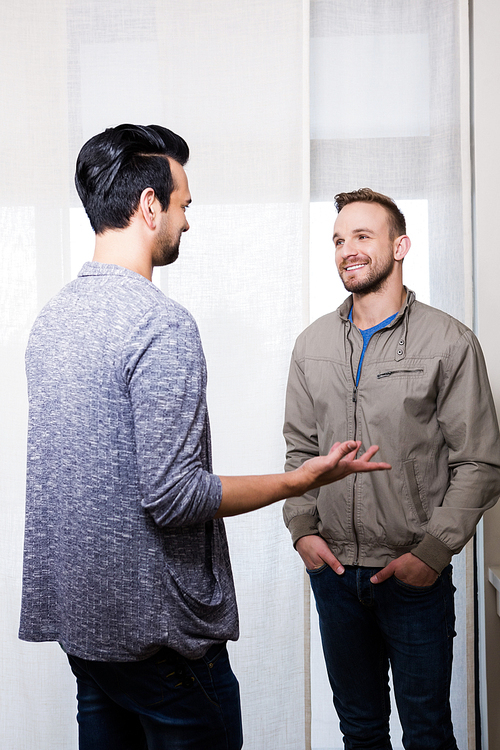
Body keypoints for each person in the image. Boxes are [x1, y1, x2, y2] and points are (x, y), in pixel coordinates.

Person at [18, 127, 390, 750]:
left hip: (86, 633)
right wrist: (301, 480)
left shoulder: (51, 322)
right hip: (161, 641)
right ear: (148, 206)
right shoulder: (161, 325)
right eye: (184, 204)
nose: (187, 222)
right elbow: (173, 496)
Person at [283, 188, 500, 750]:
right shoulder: (312, 346)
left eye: (361, 237)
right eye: (337, 240)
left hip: (412, 578)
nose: (346, 250)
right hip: (334, 575)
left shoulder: (449, 342)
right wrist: (302, 531)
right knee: (359, 731)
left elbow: (479, 461)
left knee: (427, 733)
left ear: (399, 246)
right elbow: (300, 449)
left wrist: (432, 555)